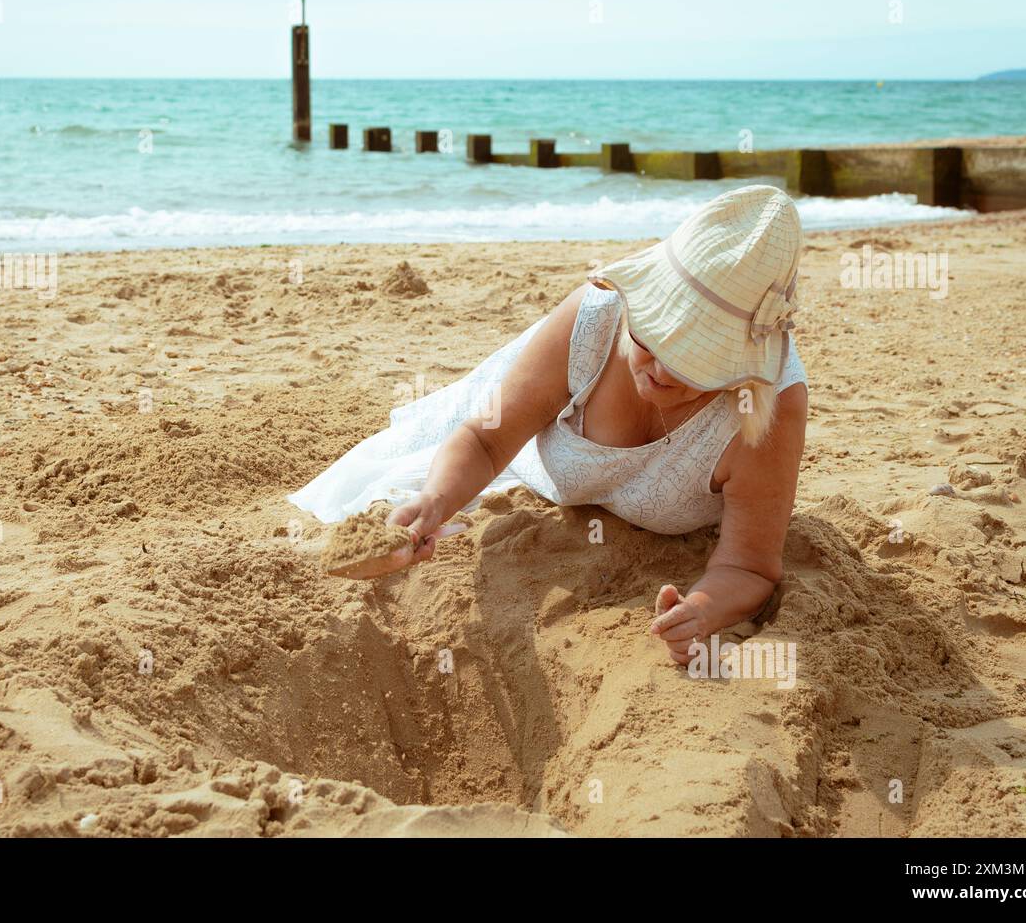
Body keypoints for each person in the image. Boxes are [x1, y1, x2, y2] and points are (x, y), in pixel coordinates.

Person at [290, 185, 808, 664]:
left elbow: (749, 566)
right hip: (517, 423)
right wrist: (437, 501)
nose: (660, 372)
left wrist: (701, 610)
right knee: (389, 492)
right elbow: (486, 440)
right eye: (651, 341)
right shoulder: (595, 319)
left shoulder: (767, 409)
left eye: (696, 362)